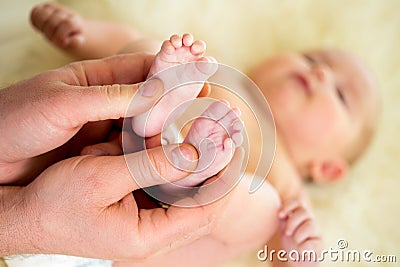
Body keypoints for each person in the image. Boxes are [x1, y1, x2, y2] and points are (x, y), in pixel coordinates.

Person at [27, 2, 379, 267]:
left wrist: (298, 252)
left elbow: (279, 250)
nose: (319, 74)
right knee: (149, 50)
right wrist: (81, 33)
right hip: (92, 151)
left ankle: (194, 165)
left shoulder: (288, 186)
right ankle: (156, 119)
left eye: (341, 95)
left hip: (136, 231)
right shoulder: (220, 72)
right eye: (311, 58)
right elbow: (126, 41)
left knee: (263, 209)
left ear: (327, 168)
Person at [0, 51, 246, 263]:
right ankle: (175, 171)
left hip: (55, 172)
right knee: (261, 209)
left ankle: (151, 122)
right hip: (88, 243)